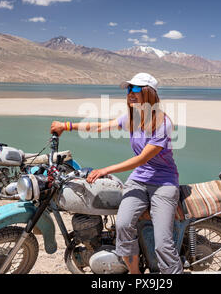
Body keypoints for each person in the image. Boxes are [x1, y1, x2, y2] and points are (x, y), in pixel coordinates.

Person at [50, 73, 183, 274]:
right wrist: (67, 126)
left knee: (163, 243)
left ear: (149, 93)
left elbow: (141, 159)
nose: (131, 93)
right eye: (129, 89)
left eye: (136, 89)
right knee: (122, 226)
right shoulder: (132, 118)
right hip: (139, 180)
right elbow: (100, 126)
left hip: (163, 183)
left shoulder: (162, 123)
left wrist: (105, 170)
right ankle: (135, 274)